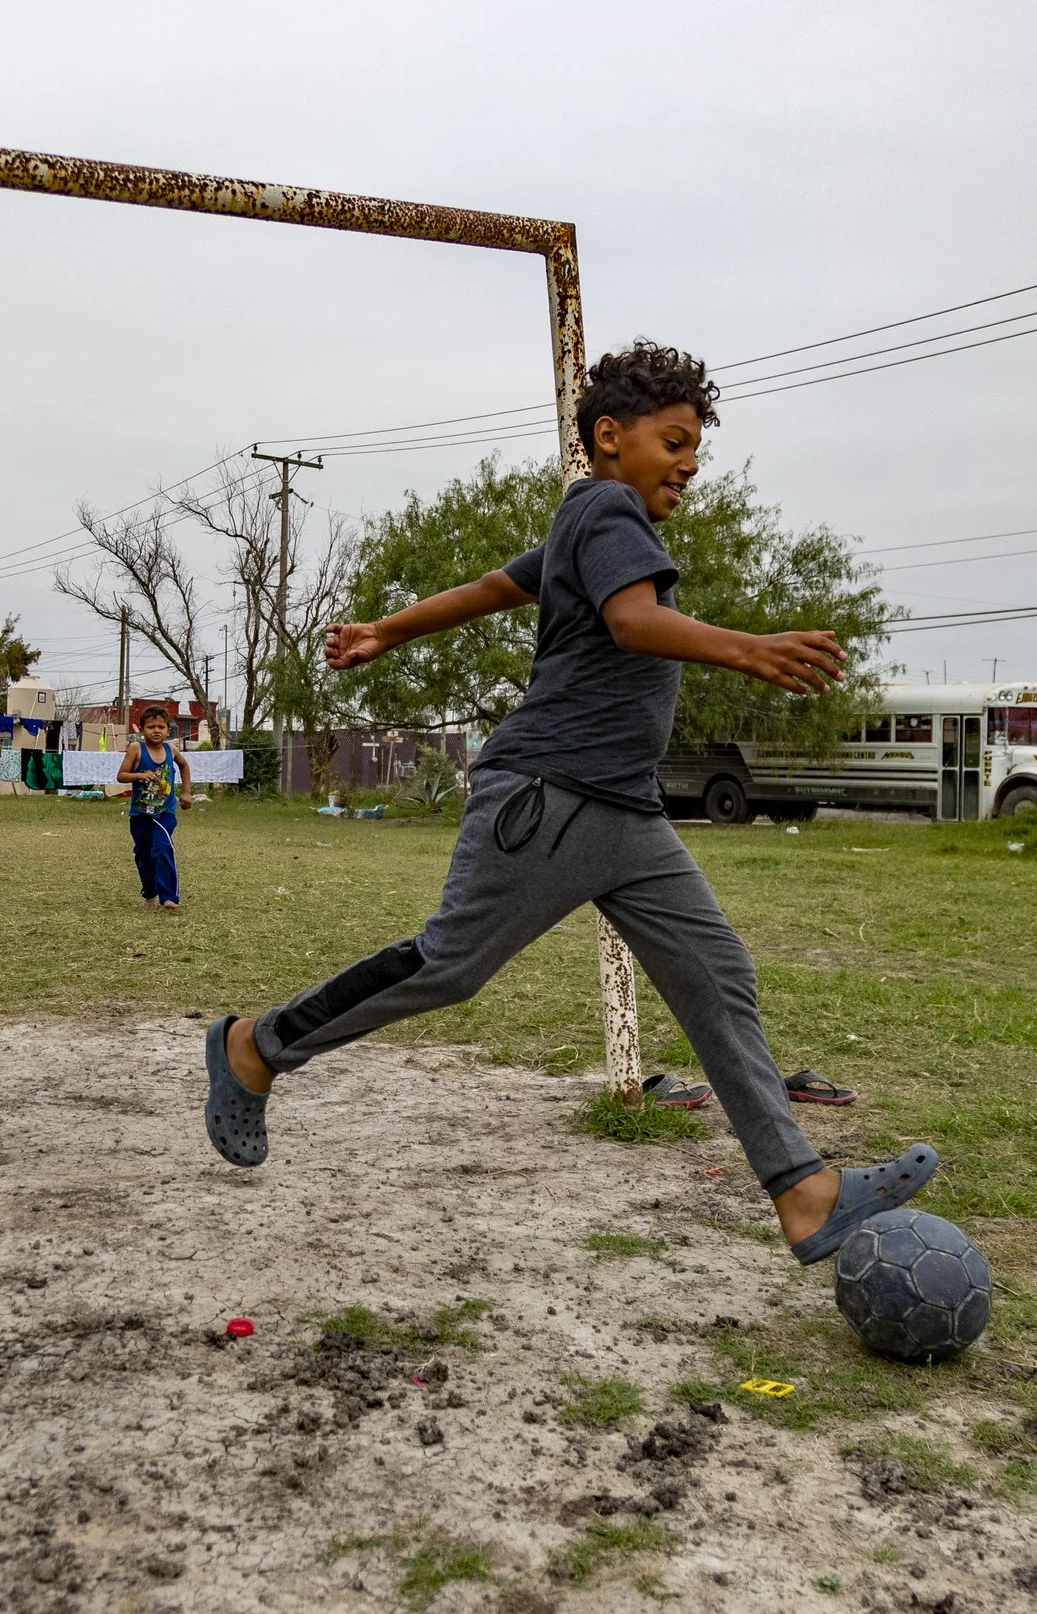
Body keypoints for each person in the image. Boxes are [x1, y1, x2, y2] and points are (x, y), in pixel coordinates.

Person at [198, 341, 939, 1265]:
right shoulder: (607, 508)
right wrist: (746, 647)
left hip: (625, 814)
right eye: (674, 442)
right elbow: (634, 623)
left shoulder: (581, 526)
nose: (688, 466)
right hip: (549, 801)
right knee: (447, 967)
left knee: (717, 975)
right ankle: (255, 1048)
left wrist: (386, 629)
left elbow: (488, 590)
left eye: (696, 451)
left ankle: (803, 1192)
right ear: (608, 437)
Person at [117, 707, 191, 910]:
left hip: (164, 813)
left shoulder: (171, 750)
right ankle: (150, 893)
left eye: (161, 727)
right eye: (151, 727)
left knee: (162, 848)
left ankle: (169, 897)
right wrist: (139, 775)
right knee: (143, 855)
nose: (156, 731)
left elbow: (184, 766)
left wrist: (186, 792)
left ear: (168, 731)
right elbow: (121, 775)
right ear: (142, 730)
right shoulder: (136, 749)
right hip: (140, 814)